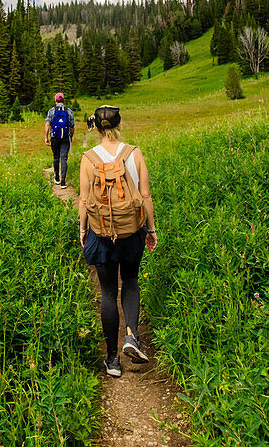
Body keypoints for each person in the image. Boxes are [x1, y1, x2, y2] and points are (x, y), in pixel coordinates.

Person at [78, 105, 158, 378]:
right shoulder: (134, 153)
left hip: (101, 234)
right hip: (131, 230)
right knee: (132, 281)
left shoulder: (88, 159)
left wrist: (83, 230)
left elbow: (84, 199)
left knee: (108, 292)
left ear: (97, 128)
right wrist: (151, 229)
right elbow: (145, 196)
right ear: (119, 125)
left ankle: (112, 359)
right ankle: (132, 336)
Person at [44, 92, 75, 189]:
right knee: (64, 158)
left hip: (55, 137)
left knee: (56, 157)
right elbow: (72, 126)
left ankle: (56, 178)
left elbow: (47, 124)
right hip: (65, 137)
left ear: (55, 100)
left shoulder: (51, 111)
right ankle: (63, 182)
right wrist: (71, 137)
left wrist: (46, 137)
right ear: (63, 100)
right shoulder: (69, 111)